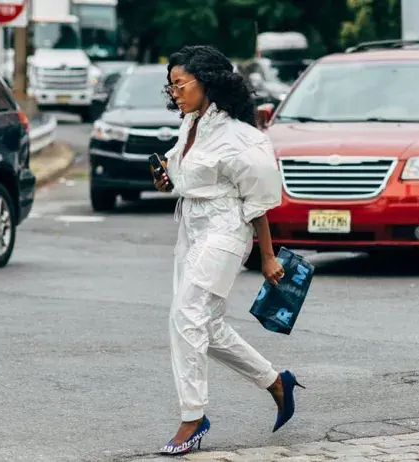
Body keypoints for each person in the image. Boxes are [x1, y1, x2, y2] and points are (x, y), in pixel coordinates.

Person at [152, 45, 304, 456]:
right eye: (172, 86)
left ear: (208, 82)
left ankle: (193, 417)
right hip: (191, 228)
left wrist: (268, 255)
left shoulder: (243, 137)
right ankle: (276, 381)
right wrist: (169, 180)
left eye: (180, 84)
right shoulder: (192, 124)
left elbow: (258, 202)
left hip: (224, 230)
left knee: (185, 316)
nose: (175, 93)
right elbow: (184, 172)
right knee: (208, 326)